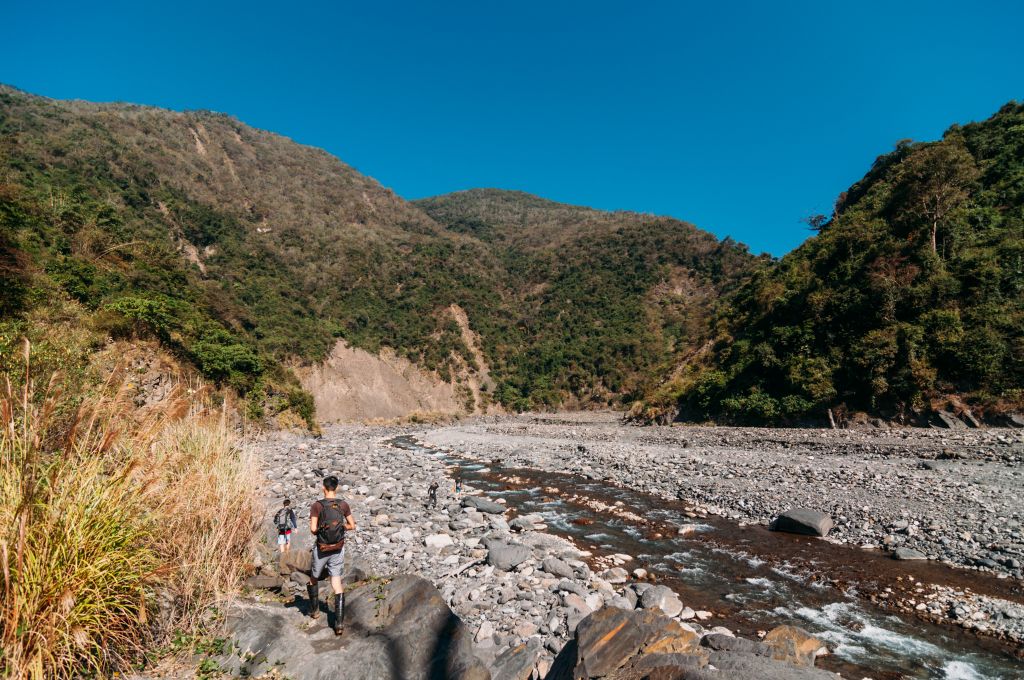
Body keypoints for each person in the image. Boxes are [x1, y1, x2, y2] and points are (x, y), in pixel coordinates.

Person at [308, 476, 356, 635]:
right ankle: (339, 624)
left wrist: (323, 527)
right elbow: (352, 526)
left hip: (322, 549)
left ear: (323, 488)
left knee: (313, 578)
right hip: (338, 548)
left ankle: (314, 611)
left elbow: (313, 530)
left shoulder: (317, 506)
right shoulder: (343, 505)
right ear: (337, 488)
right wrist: (341, 526)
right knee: (336, 582)